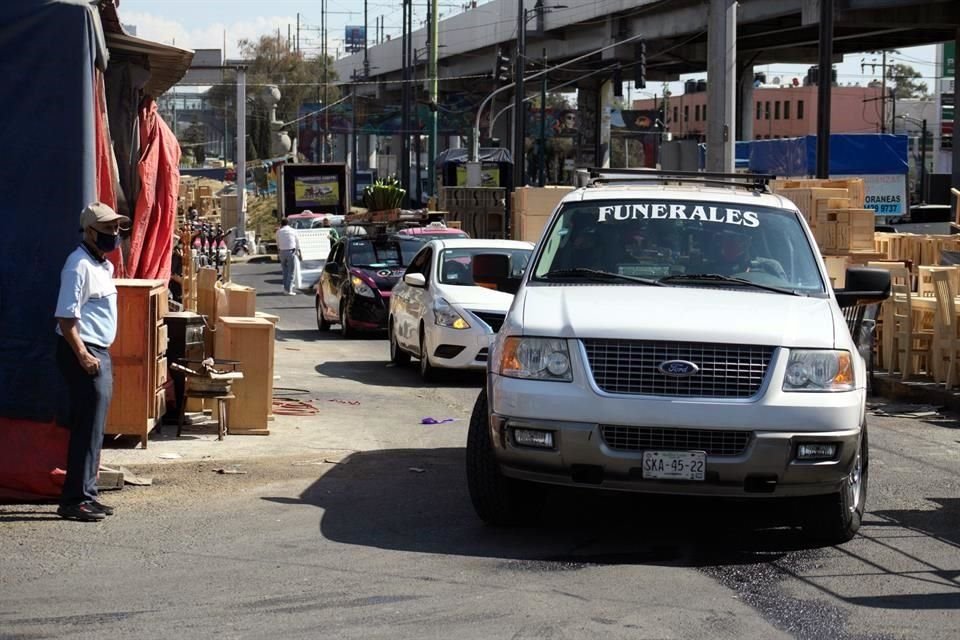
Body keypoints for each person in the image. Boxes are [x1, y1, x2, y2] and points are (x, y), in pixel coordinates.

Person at [54, 202, 129, 522]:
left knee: (95, 428)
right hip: (84, 352)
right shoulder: (78, 265)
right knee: (86, 427)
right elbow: (66, 318)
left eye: (116, 228)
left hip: (99, 351)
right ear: (89, 231)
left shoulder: (104, 266)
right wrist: (83, 355)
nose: (114, 234)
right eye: (108, 228)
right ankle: (73, 500)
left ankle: (87, 493)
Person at [276, 218, 301, 295]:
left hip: (282, 252)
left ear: (281, 224)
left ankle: (285, 288)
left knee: (285, 271)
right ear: (288, 223)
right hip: (291, 251)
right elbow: (297, 241)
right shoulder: (293, 231)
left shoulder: (279, 231)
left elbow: (277, 242)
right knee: (291, 271)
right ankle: (289, 290)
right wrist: (298, 250)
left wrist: (279, 250)